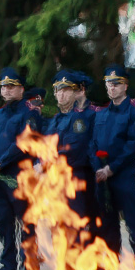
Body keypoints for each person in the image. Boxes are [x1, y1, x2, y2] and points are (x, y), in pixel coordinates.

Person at [0, 68, 41, 270]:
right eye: (4, 87)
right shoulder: (0, 113)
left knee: (26, 223)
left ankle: (28, 267)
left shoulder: (30, 112)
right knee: (4, 223)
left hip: (19, 177)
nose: (6, 90)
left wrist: (0, 162)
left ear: (21, 89)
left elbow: (25, 142)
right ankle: (7, 266)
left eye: (11, 86)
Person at [90, 64, 135, 270]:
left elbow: (133, 146)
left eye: (116, 84)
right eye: (109, 84)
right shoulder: (101, 113)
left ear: (125, 86)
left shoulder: (134, 110)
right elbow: (93, 143)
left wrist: (112, 168)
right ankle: (111, 265)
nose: (112, 88)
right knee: (108, 223)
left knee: (133, 223)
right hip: (103, 176)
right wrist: (98, 168)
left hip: (123, 175)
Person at [45, 71, 95, 221]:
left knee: (74, 226)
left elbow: (75, 148)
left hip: (72, 178)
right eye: (58, 90)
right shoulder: (55, 120)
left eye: (66, 90)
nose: (62, 94)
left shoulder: (80, 119)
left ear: (75, 93)